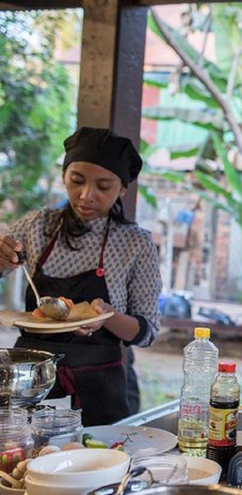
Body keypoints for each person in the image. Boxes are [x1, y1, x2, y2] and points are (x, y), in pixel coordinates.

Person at [0, 127, 162, 426]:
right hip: (31, 382)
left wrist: (107, 316)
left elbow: (147, 331)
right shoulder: (37, 226)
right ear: (64, 176)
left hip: (100, 386)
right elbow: (4, 259)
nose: (87, 195)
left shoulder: (135, 243)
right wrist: (2, 258)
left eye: (103, 186)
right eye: (77, 181)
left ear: (122, 189)